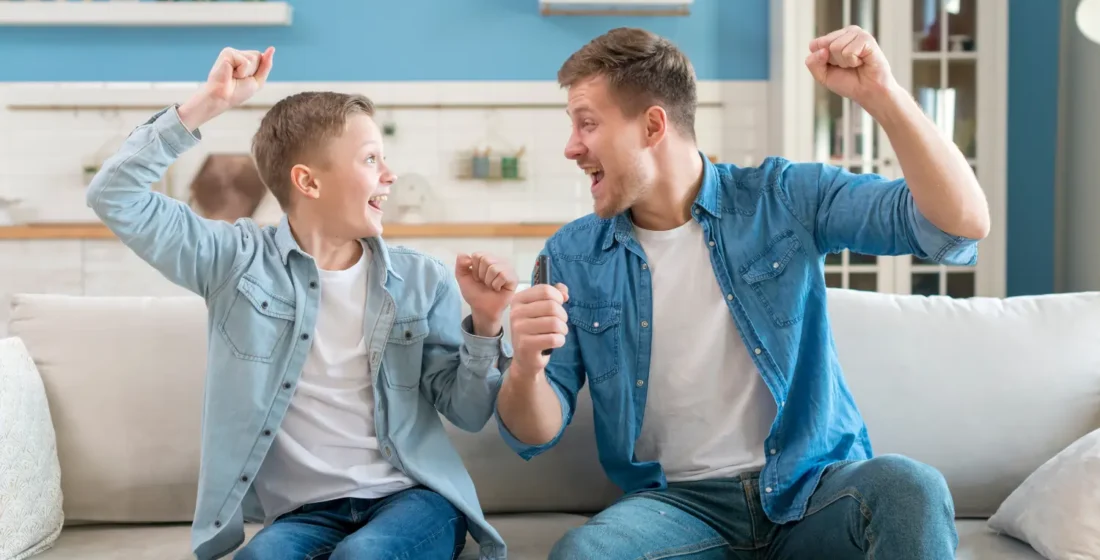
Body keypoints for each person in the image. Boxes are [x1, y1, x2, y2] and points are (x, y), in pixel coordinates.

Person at [497, 26, 989, 559]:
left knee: (909, 486)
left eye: (587, 124)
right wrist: (525, 366)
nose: (572, 147)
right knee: (583, 554)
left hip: (810, 493)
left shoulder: (783, 199)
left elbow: (957, 226)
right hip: (678, 510)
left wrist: (883, 95)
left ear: (653, 125)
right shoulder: (572, 255)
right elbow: (534, 432)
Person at [86, 46, 517, 560]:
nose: (390, 175)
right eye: (371, 159)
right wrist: (207, 103)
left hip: (413, 500)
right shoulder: (233, 262)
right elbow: (113, 195)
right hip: (303, 513)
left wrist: (487, 324)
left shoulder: (421, 279)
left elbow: (469, 414)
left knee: (363, 556)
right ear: (308, 181)